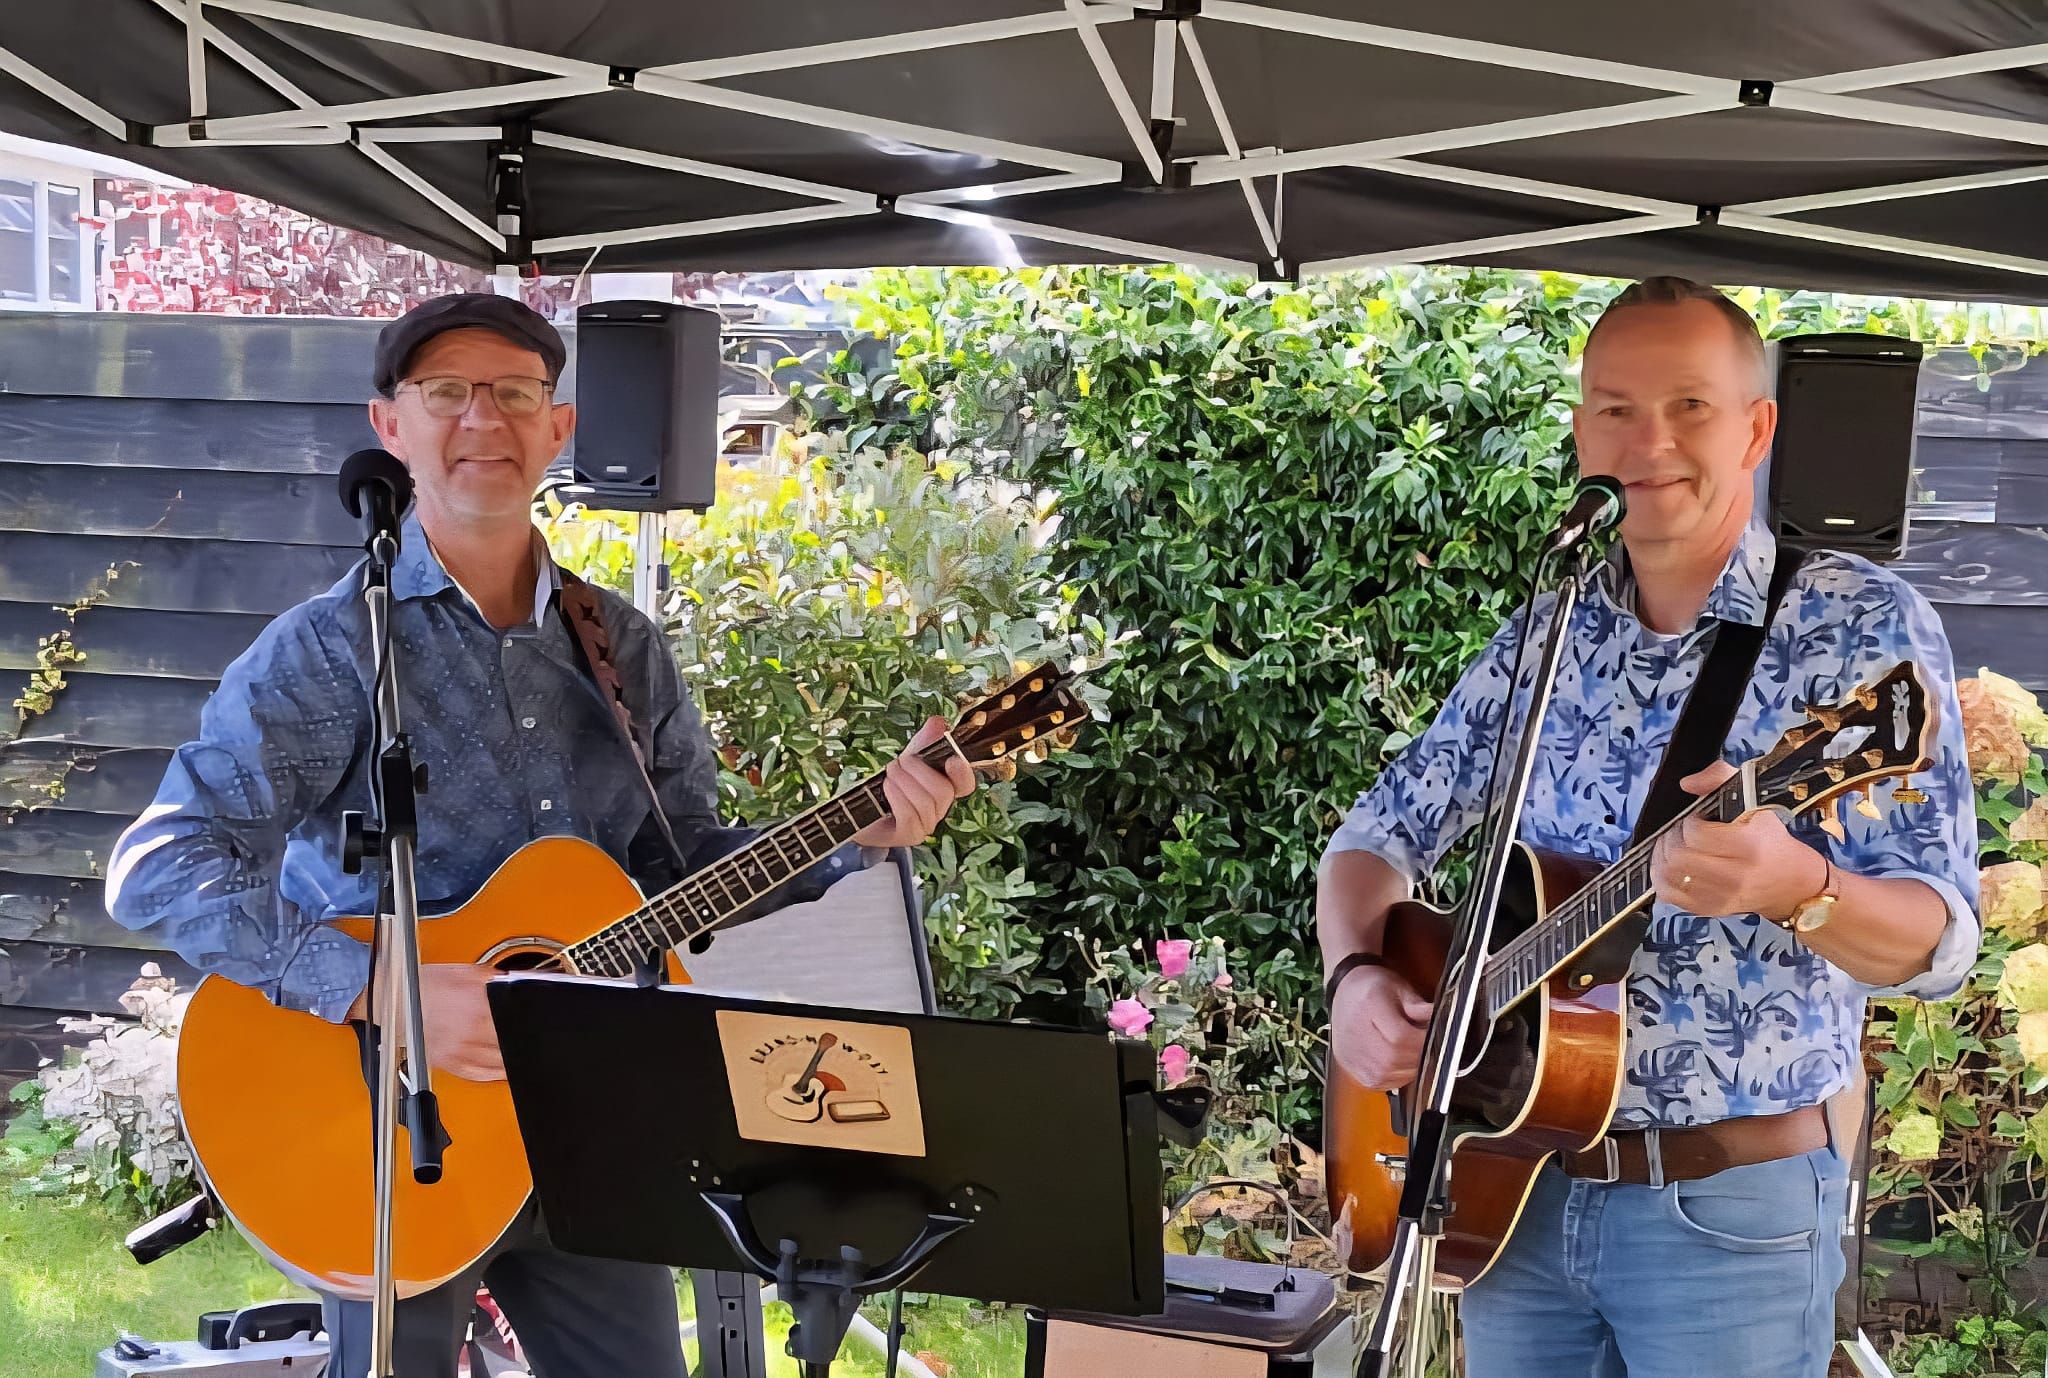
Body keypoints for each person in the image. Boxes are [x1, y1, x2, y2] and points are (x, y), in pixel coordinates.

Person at [105, 292, 976, 1378]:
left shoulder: (620, 646)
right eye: (446, 392)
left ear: (558, 427)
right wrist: (383, 989)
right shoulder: (329, 652)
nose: (484, 419)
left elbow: (682, 868)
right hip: (385, 1123)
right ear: (390, 425)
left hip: (583, 1120)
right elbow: (159, 865)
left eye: (516, 394)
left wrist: (857, 839)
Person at [1318, 277, 1980, 1376]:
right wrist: (1354, 981)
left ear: (1756, 429)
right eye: (1616, 409)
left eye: (1689, 407)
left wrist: (1797, 886)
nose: (1650, 441)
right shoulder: (1553, 625)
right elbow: (1373, 839)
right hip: (1511, 1191)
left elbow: (1938, 942)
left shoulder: (1858, 627)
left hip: (1727, 1212)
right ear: (1582, 432)